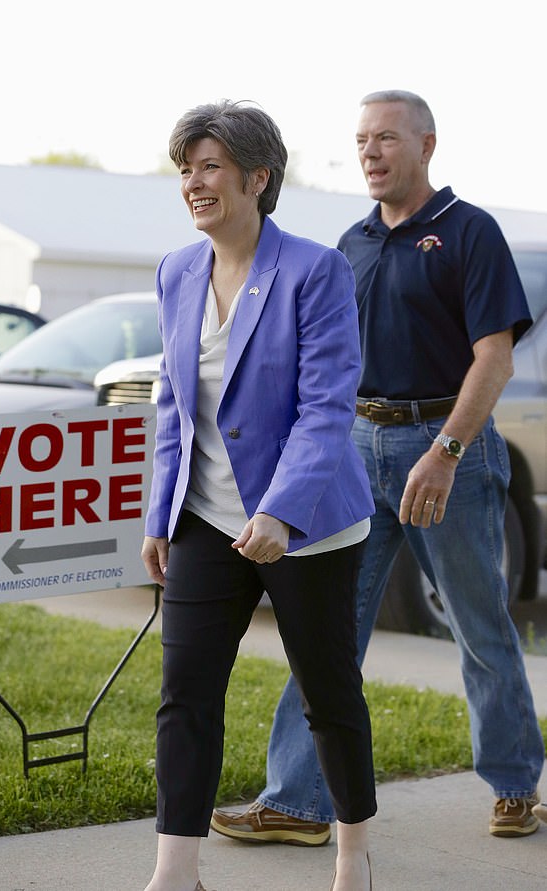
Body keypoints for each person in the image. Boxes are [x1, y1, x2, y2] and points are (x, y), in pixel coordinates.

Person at [211, 89, 545, 847]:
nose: (369, 151)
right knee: (323, 627)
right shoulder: (349, 243)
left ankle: (516, 785)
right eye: (362, 138)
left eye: (386, 137)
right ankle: (296, 802)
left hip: (445, 451)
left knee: (479, 623)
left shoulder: (469, 232)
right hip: (355, 450)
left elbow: (493, 357)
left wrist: (446, 452)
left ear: (427, 144)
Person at [141, 99, 377, 891]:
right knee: (186, 697)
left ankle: (354, 859)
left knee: (328, 694)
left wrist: (279, 509)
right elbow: (173, 402)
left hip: (306, 523)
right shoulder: (176, 270)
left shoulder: (315, 270)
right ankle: (176, 873)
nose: (193, 183)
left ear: (257, 178)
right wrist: (160, 511)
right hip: (206, 520)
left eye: (209, 167)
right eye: (185, 169)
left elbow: (327, 405)